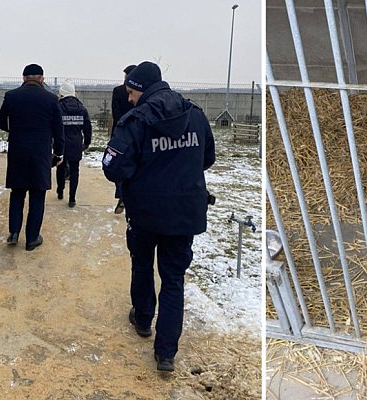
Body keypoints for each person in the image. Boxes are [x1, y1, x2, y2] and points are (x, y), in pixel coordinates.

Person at [102, 61, 215, 372]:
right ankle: (166, 353)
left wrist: (143, 176)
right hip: (184, 213)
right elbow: (208, 157)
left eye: (129, 92)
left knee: (141, 264)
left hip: (145, 212)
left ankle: (142, 319)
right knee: (173, 279)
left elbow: (113, 167)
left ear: (140, 89)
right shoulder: (194, 114)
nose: (127, 99)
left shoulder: (135, 121)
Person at [0, 64, 64, 251]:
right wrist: (58, 153)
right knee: (37, 194)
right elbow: (59, 131)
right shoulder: (51, 99)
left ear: (23, 78)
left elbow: (1, 121)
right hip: (41, 154)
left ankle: (14, 232)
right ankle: (32, 238)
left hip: (18, 151)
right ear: (42, 79)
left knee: (17, 192)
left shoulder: (12, 96)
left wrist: (16, 130)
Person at [56, 80, 92, 208]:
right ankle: (72, 199)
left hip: (61, 143)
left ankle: (60, 191)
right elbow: (87, 127)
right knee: (74, 170)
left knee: (60, 167)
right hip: (76, 144)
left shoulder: (58, 107)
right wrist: (87, 142)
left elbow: (54, 126)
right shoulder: (82, 108)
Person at [110, 65, 135, 214]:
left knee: (118, 163)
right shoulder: (141, 93)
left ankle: (121, 191)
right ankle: (127, 194)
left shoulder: (118, 91)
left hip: (121, 132)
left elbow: (116, 113)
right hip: (137, 133)